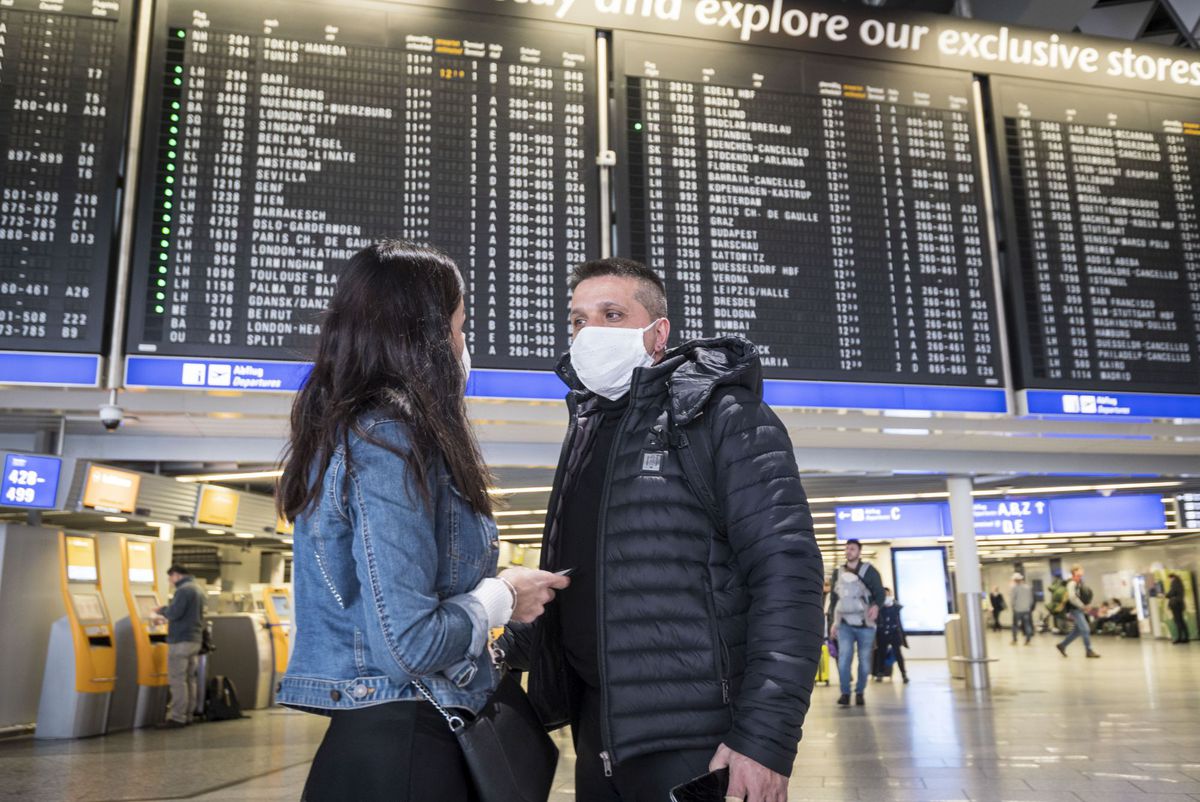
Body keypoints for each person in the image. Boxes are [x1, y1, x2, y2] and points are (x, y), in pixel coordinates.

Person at [509, 258, 824, 802]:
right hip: (599, 730)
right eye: (579, 320)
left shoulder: (725, 417)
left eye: (612, 314)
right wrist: (508, 642)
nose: (591, 333)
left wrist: (766, 739)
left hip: (697, 739)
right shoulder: (587, 429)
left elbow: (787, 578)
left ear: (657, 333)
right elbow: (589, 579)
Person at [275, 241, 569, 802]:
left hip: (390, 740)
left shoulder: (344, 433)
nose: (463, 343)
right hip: (409, 751)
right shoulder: (388, 439)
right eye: (459, 325)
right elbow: (409, 642)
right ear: (425, 335)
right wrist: (504, 594)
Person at [828, 539, 886, 707]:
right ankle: (845, 693)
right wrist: (833, 622)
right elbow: (834, 599)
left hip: (865, 624)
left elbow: (880, 594)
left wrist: (876, 606)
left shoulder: (869, 571)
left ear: (859, 552)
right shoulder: (837, 573)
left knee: (865, 661)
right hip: (844, 624)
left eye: (852, 549)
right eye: (847, 549)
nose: (848, 552)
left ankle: (860, 691)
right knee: (844, 659)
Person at [155, 564, 207, 728]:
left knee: (177, 680)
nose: (170, 582)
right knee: (189, 679)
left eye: (170, 578)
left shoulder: (184, 590)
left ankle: (177, 717)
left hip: (180, 641)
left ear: (176, 575)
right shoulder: (198, 589)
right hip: (194, 640)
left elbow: (174, 613)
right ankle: (188, 714)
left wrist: (161, 610)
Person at [1056, 564, 1100, 659]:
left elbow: (1082, 595)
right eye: (1080, 569)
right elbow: (1072, 598)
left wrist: (1086, 605)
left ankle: (1062, 645)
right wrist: (1083, 606)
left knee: (1078, 631)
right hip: (1075, 610)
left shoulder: (1079, 582)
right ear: (1075, 571)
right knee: (1086, 629)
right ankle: (1089, 651)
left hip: (1079, 609)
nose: (1082, 571)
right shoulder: (1072, 583)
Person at [872, 588, 909, 684]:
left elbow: (899, 622)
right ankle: (880, 673)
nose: (886, 597)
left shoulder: (896, 607)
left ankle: (904, 674)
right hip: (882, 633)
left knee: (898, 654)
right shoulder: (878, 607)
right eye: (884, 595)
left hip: (894, 633)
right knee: (881, 654)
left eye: (888, 594)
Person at [1010, 573, 1034, 645]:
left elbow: (1012, 599)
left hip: (1017, 610)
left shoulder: (1014, 588)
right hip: (1026, 609)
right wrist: (1028, 606)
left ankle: (1014, 639)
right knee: (1027, 624)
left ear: (1015, 580)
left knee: (1015, 625)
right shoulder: (1028, 587)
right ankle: (1028, 640)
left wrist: (1013, 607)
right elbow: (1031, 599)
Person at [1167, 573, 1190, 644]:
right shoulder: (1180, 583)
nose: (1169, 580)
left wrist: (1165, 595)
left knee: (1178, 621)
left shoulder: (1174, 583)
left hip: (1176, 605)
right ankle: (1186, 637)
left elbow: (1171, 593)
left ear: (1172, 578)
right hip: (1180, 605)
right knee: (1181, 621)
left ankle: (1179, 638)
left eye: (1170, 579)